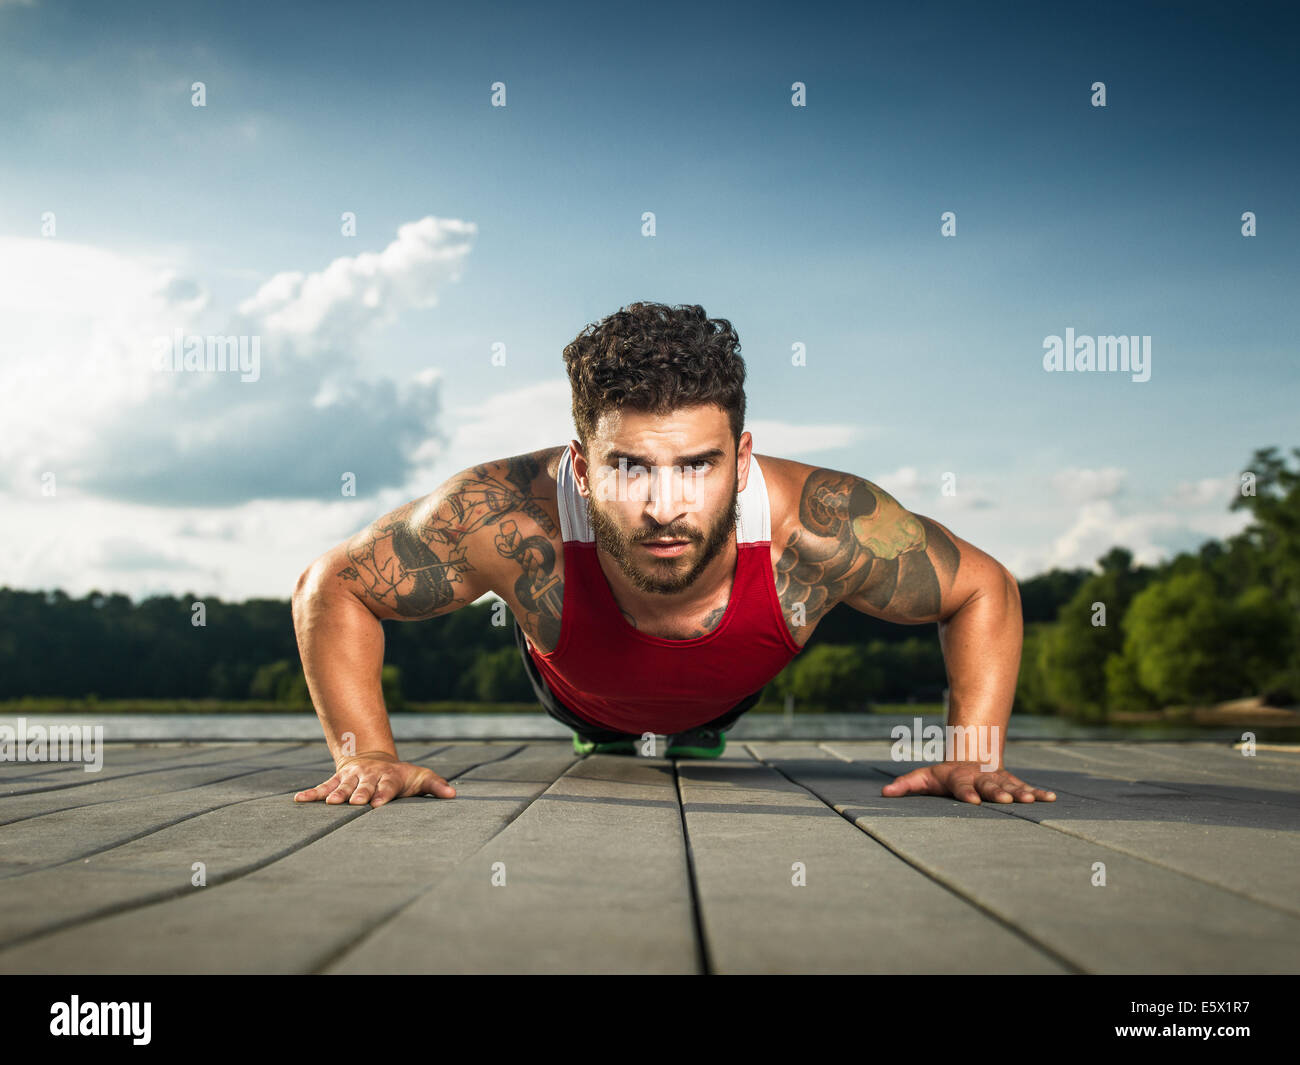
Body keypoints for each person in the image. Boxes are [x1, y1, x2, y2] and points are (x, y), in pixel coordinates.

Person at [292, 302, 1056, 809]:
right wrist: (369, 755)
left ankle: (692, 720)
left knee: (703, 706)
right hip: (578, 687)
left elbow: (984, 589)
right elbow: (331, 585)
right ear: (583, 467)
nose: (665, 506)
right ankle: (613, 724)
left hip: (727, 689)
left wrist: (974, 756)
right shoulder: (502, 515)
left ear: (742, 456)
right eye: (629, 467)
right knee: (599, 709)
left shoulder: (822, 527)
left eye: (697, 464)